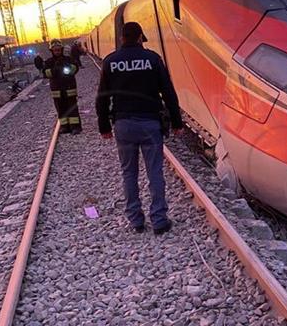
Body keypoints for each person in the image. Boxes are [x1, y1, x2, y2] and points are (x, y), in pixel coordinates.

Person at [95, 21, 183, 235]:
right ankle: (159, 221)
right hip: (149, 123)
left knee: (129, 173)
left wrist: (104, 126)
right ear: (139, 37)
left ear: (122, 38)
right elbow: (168, 92)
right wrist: (177, 121)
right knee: (155, 172)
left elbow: (102, 98)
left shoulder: (110, 62)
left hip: (123, 124)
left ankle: (136, 221)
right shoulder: (152, 59)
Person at [42, 39, 82, 134]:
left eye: (59, 50)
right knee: (61, 109)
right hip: (57, 91)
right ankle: (64, 127)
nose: (57, 52)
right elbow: (45, 73)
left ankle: (75, 127)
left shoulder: (68, 59)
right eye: (55, 50)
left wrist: (68, 69)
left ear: (62, 49)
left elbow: (75, 68)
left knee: (72, 109)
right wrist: (55, 70)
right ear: (51, 51)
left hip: (69, 89)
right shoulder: (49, 62)